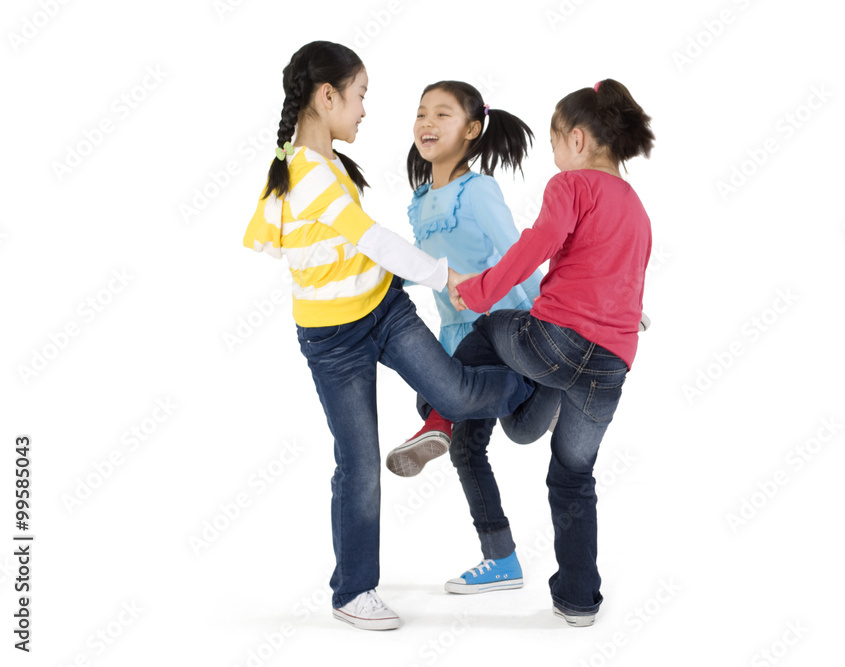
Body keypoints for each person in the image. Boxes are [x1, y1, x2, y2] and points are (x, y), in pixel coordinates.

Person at [241, 41, 535, 631]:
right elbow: (373, 240)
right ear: (327, 98)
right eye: (360, 96)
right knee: (358, 462)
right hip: (332, 342)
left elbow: (356, 249)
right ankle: (354, 591)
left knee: (452, 394)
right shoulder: (306, 174)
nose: (365, 111)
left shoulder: (328, 169)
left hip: (384, 309)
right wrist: (448, 275)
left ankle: (536, 377)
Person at [433, 78, 655, 625]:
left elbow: (535, 245)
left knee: (492, 326)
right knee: (572, 476)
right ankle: (579, 603)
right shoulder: (638, 210)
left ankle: (440, 412)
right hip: (610, 363)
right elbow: (622, 279)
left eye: (555, 141)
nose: (554, 155)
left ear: (577, 140)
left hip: (553, 339)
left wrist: (479, 289)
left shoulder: (571, 185)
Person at [385, 80, 544, 487]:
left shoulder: (477, 191)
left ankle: (543, 381)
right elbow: (425, 265)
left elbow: (517, 255)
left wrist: (553, 311)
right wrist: (381, 279)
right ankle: (500, 552)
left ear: (472, 130)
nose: (426, 122)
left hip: (499, 324)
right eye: (421, 113)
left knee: (450, 399)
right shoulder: (420, 202)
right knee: (463, 448)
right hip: (454, 327)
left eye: (442, 113)